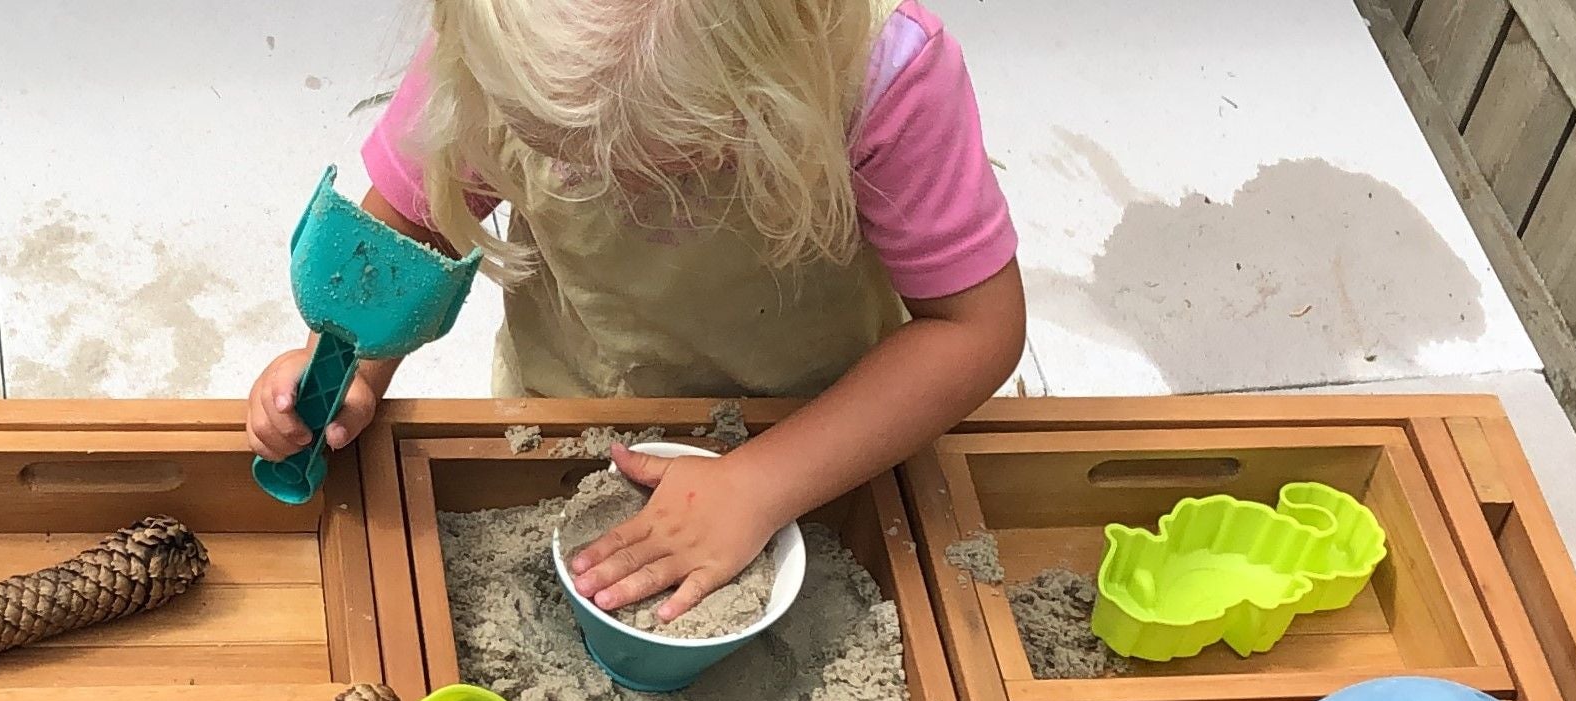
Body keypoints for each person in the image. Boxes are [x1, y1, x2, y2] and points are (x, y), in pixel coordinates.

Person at [245, 0, 1024, 625]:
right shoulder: (505, 46)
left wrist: (760, 483)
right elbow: (402, 234)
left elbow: (974, 329)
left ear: (770, 89)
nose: (605, 186)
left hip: (815, 414)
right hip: (575, 391)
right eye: (561, 154)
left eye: (661, 167)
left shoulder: (885, 78)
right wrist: (345, 363)